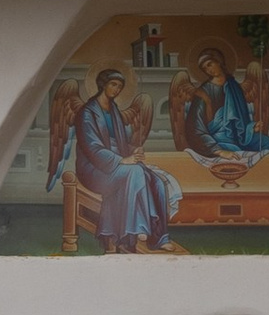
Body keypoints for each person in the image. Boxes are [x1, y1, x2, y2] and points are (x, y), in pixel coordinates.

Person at [52, 67, 184, 252]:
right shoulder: (87, 112)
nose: (116, 89)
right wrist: (122, 160)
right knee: (137, 171)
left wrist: (133, 151)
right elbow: (92, 148)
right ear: (102, 84)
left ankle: (160, 238)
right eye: (113, 84)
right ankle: (135, 230)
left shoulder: (114, 110)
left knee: (157, 181)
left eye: (120, 86)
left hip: (117, 164)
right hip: (95, 168)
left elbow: (118, 143)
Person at [172, 43, 268, 170]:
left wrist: (252, 128)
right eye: (205, 68)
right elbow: (195, 128)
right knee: (235, 151)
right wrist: (219, 151)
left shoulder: (234, 86)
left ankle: (261, 177)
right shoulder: (203, 93)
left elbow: (241, 119)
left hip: (239, 136)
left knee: (266, 142)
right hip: (216, 137)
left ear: (218, 61)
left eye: (210, 64)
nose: (209, 70)